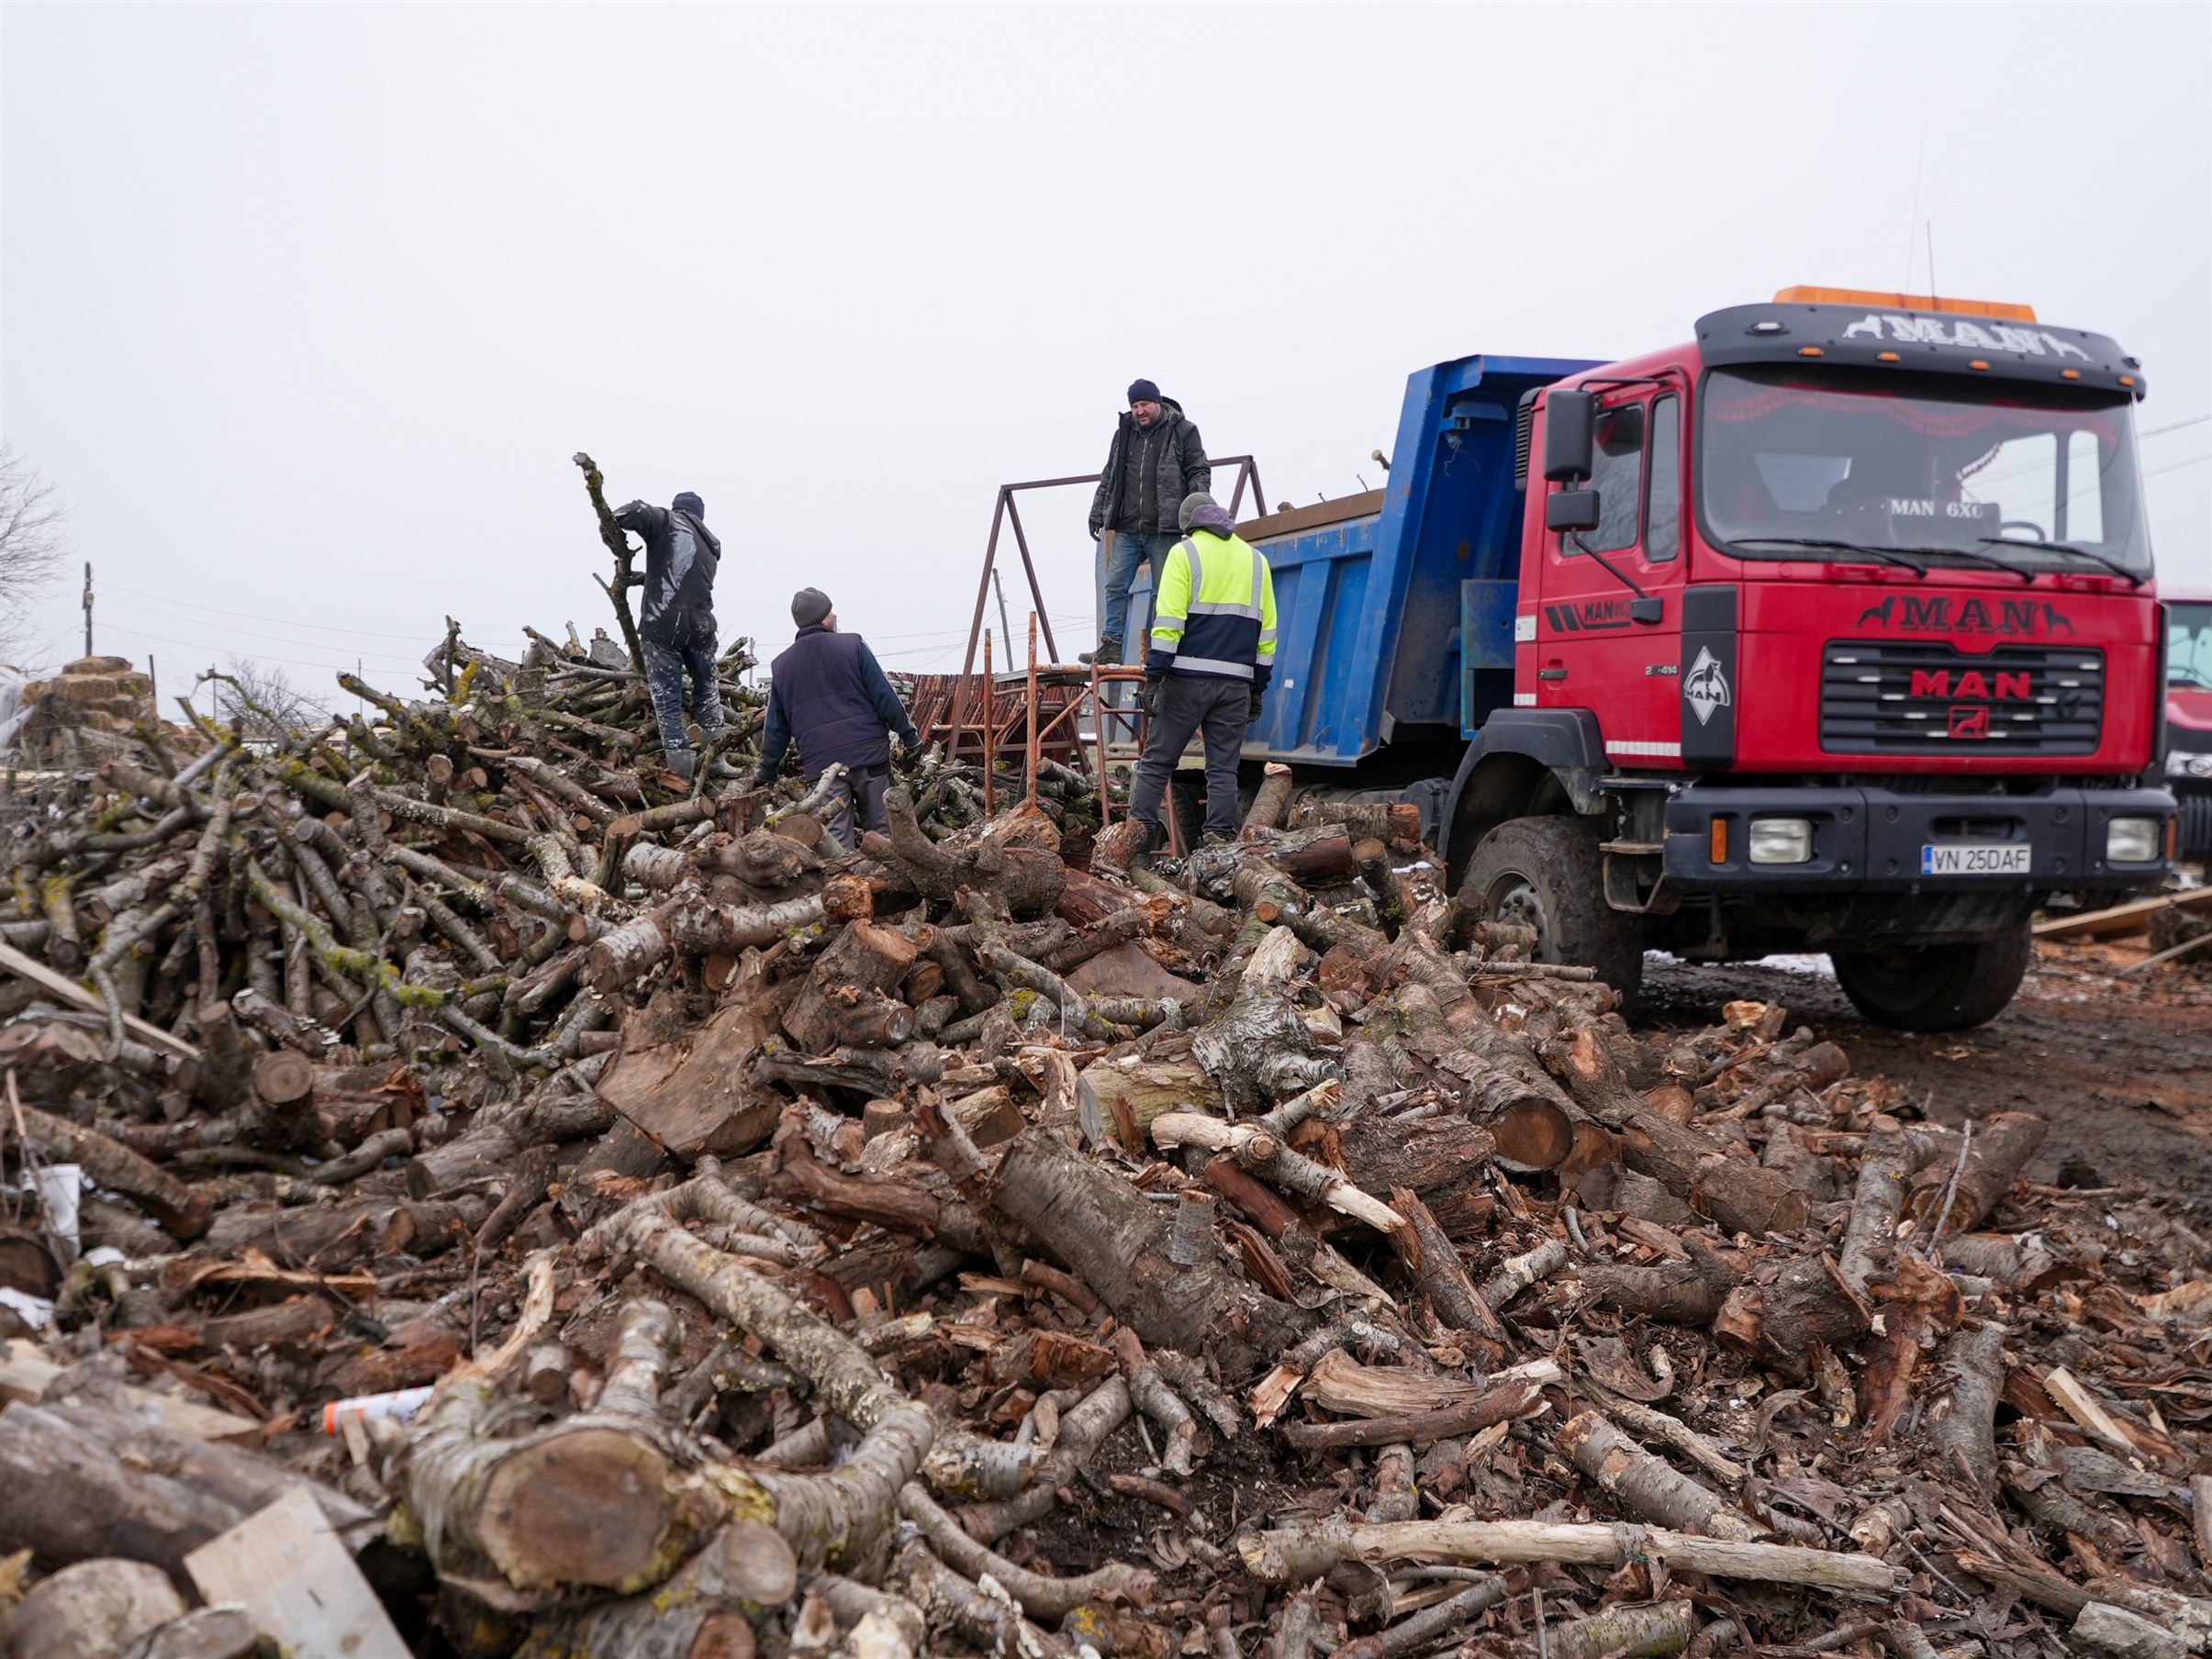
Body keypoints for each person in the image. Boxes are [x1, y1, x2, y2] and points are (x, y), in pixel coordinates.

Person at [1128, 492, 1276, 850]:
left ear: (1189, 526)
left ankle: (1136, 843)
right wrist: (1257, 687)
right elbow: (1267, 635)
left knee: (1157, 763)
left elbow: (1168, 625)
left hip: (1186, 682)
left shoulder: (1185, 554)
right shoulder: (1256, 561)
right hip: (1236, 687)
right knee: (1224, 769)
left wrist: (1155, 678)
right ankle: (1217, 843)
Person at [755, 588, 921, 850]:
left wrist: (768, 769)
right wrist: (909, 735)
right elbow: (884, 695)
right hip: (870, 757)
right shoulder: (852, 645)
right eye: (831, 611)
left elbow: (776, 726)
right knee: (883, 835)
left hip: (822, 768)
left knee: (837, 844)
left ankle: (843, 886)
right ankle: (889, 886)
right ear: (824, 618)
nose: (834, 615)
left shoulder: (782, 666)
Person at [1084, 379, 1211, 666]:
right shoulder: (1124, 433)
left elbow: (1199, 471)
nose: (1139, 411)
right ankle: (1111, 644)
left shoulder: (1183, 430)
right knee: (1114, 585)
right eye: (1134, 405)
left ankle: (1158, 647)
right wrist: (1097, 511)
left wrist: (1198, 509)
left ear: (1158, 403)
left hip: (1164, 528)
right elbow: (1110, 475)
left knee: (1162, 591)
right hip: (1128, 529)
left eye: (1144, 404)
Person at [614, 490, 724, 782]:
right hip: (700, 628)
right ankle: (718, 759)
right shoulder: (712, 544)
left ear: (679, 509)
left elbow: (634, 511)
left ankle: (681, 772)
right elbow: (683, 577)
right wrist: (643, 578)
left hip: (662, 628)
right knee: (708, 695)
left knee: (667, 700)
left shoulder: (668, 521)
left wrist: (610, 522)